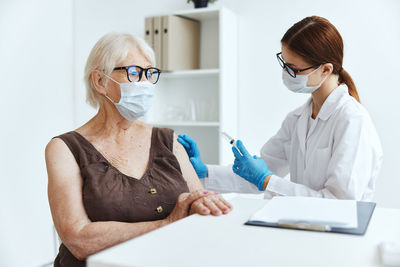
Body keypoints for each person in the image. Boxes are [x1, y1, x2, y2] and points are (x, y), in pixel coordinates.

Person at [45, 33, 232, 267]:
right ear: (100, 81)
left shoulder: (168, 140)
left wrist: (205, 204)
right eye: (134, 73)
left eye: (150, 73)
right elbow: (78, 239)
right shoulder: (64, 149)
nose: (144, 83)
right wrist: (165, 224)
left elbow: (197, 200)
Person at [178, 16, 383, 200]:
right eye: (284, 63)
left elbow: (340, 202)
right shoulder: (297, 119)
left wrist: (267, 181)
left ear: (326, 69)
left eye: (294, 68)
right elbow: (258, 175)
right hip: (301, 226)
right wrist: (204, 172)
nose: (286, 73)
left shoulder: (352, 120)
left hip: (339, 236)